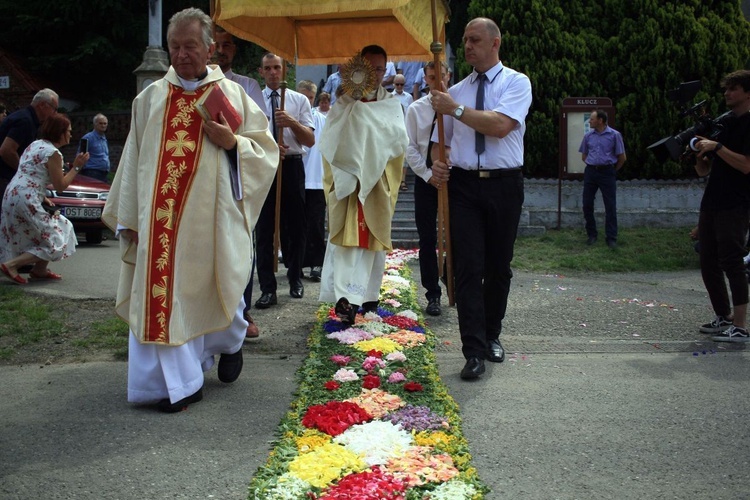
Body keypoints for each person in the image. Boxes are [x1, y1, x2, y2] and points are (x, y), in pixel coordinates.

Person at [101, 8, 278, 412]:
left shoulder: (232, 95)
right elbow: (134, 160)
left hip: (212, 221)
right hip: (160, 226)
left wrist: (233, 143)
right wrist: (128, 217)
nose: (181, 55)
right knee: (166, 296)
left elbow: (266, 153)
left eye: (190, 46)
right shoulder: (149, 99)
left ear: (210, 47)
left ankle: (230, 343)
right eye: (175, 47)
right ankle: (177, 385)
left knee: (222, 292)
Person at [429, 17, 532, 380]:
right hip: (464, 187)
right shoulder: (455, 90)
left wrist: (453, 108)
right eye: (465, 40)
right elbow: (441, 144)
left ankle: (492, 335)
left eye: (474, 40)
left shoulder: (516, 83)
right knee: (468, 268)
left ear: (495, 43)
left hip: (504, 183)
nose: (468, 46)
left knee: (498, 266)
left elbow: (500, 126)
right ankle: (472, 350)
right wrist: (437, 166)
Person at [319, 45, 408, 323]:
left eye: (381, 69)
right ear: (359, 69)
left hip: (378, 184)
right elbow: (330, 142)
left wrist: (374, 163)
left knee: (373, 244)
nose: (376, 74)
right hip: (350, 186)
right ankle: (345, 300)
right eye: (370, 68)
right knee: (348, 244)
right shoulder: (344, 103)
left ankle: (368, 298)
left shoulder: (391, 104)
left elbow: (398, 144)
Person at [214, 27, 266, 339]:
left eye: (227, 45)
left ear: (235, 51)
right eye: (216, 44)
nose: (221, 50)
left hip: (235, 175)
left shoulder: (247, 86)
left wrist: (232, 140)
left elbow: (260, 133)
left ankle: (241, 311)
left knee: (241, 245)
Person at [691, 69, 750, 343]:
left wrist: (718, 148)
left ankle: (740, 326)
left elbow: (746, 165)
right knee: (707, 261)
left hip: (736, 202)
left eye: (733, 89)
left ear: (747, 93)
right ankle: (722, 315)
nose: (727, 93)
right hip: (713, 199)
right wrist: (701, 156)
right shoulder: (725, 122)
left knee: (732, 262)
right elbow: (705, 171)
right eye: (726, 89)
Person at [254, 53, 315, 309]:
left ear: (285, 69)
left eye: (277, 67)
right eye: (267, 68)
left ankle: (294, 277)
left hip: (291, 165)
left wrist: (289, 121)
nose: (272, 73)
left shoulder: (299, 99)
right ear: (261, 71)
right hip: (263, 166)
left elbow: (309, 139)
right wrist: (267, 147)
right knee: (265, 228)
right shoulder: (253, 99)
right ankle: (268, 288)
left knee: (296, 225)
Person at [1, 113, 88, 284]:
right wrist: (77, 167)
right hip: (27, 198)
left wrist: (41, 196)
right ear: (59, 132)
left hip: (13, 194)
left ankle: (39, 269)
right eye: (68, 131)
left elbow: (33, 174)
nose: (71, 134)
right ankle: (11, 265)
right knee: (57, 236)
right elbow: (60, 185)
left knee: (51, 228)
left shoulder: (35, 145)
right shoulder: (53, 153)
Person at [405, 61, 449, 316]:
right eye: (432, 77)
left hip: (455, 179)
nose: (437, 82)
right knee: (427, 237)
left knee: (458, 235)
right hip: (426, 179)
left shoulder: (459, 106)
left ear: (448, 75)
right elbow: (409, 146)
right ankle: (432, 292)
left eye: (441, 76)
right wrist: (427, 174)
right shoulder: (416, 109)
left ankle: (452, 278)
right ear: (425, 78)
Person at [0, 89, 59, 210]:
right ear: (42, 105)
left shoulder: (27, 119)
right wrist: (25, 173)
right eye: (54, 108)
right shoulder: (25, 121)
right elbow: (6, 150)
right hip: (4, 178)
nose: (55, 113)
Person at [579, 109, 626, 248]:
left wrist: (612, 170)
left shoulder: (614, 135)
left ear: (600, 120)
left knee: (610, 206)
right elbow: (584, 156)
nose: (590, 121)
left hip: (607, 172)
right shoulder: (588, 136)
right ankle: (591, 234)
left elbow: (622, 158)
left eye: (592, 119)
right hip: (591, 172)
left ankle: (611, 237)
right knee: (587, 204)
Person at [297, 81, 327, 282]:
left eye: (309, 98)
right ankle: (296, 263)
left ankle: (317, 262)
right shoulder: (290, 120)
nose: (306, 101)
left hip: (316, 179)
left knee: (315, 224)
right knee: (296, 224)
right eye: (303, 97)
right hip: (297, 177)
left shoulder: (323, 120)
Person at [214, 27, 266, 111]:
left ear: (234, 49)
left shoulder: (249, 86)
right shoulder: (199, 85)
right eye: (216, 46)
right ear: (209, 50)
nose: (221, 51)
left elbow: (261, 121)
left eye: (226, 45)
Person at [392, 74, 414, 192]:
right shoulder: (389, 96)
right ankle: (393, 181)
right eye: (397, 84)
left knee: (404, 157)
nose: (399, 86)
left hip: (404, 130)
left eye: (402, 84)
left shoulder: (408, 97)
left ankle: (403, 180)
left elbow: (410, 114)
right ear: (393, 84)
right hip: (392, 131)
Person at [78, 114, 111, 182]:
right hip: (92, 172)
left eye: (105, 123)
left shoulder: (103, 138)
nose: (103, 125)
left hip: (104, 173)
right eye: (100, 123)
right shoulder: (88, 138)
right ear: (95, 124)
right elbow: (80, 155)